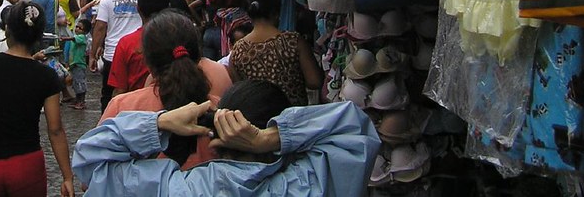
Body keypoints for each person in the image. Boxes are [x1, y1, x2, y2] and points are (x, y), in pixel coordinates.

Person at [72, 80, 380, 197]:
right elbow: (355, 128)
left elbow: (89, 160)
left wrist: (162, 122)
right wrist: (271, 139)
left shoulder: (172, 189)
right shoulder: (306, 184)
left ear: (215, 139)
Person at [0, 2, 74, 197]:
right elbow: (55, 129)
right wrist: (67, 177)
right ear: (38, 35)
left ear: (7, 30)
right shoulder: (46, 76)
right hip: (27, 165)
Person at [100, 9, 217, 170]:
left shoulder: (122, 107)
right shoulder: (220, 110)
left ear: (147, 60)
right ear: (198, 56)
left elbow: (93, 172)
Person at [227, 0, 323, 106]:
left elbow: (240, 90)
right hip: (293, 118)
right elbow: (314, 81)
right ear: (276, 13)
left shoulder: (237, 51)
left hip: (258, 120)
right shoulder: (293, 41)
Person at [89, 0, 142, 111]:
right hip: (138, 52)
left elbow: (100, 27)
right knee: (136, 93)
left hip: (113, 54)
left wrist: (93, 54)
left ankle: (107, 124)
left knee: (108, 94)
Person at [65, 18, 90, 110]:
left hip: (79, 64)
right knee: (75, 83)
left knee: (80, 83)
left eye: (79, 28)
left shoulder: (81, 37)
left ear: (85, 31)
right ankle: (77, 100)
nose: (76, 29)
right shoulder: (76, 37)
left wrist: (65, 38)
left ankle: (81, 101)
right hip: (74, 64)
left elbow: (73, 38)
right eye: (76, 27)